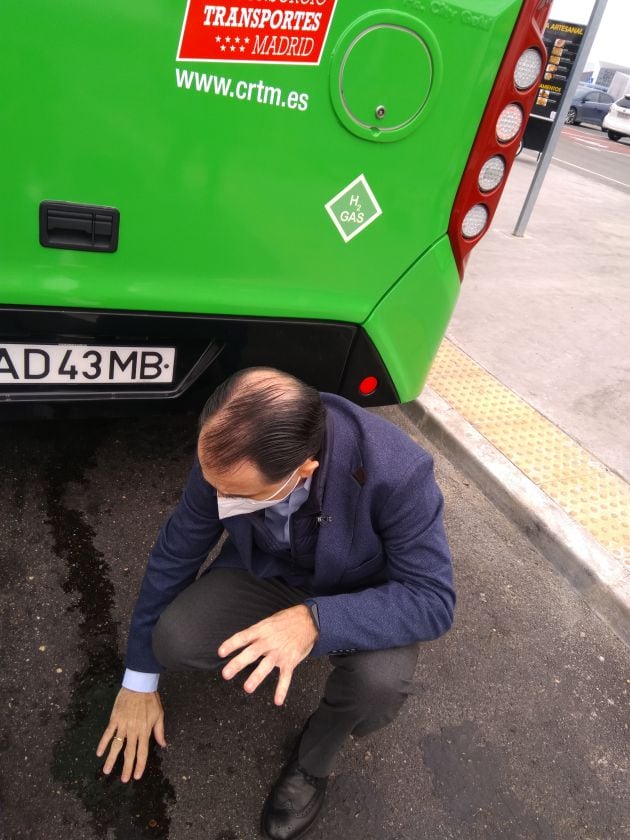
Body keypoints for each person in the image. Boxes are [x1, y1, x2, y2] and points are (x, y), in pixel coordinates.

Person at [96, 367, 455, 839]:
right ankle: (269, 644)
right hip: (266, 571)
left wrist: (316, 620)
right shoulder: (227, 452)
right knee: (174, 638)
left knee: (378, 687)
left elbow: (432, 599)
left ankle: (313, 759)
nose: (217, 496)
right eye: (213, 483)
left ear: (304, 469)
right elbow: (175, 552)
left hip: (359, 592)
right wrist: (139, 681)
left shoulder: (399, 473)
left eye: (236, 494)